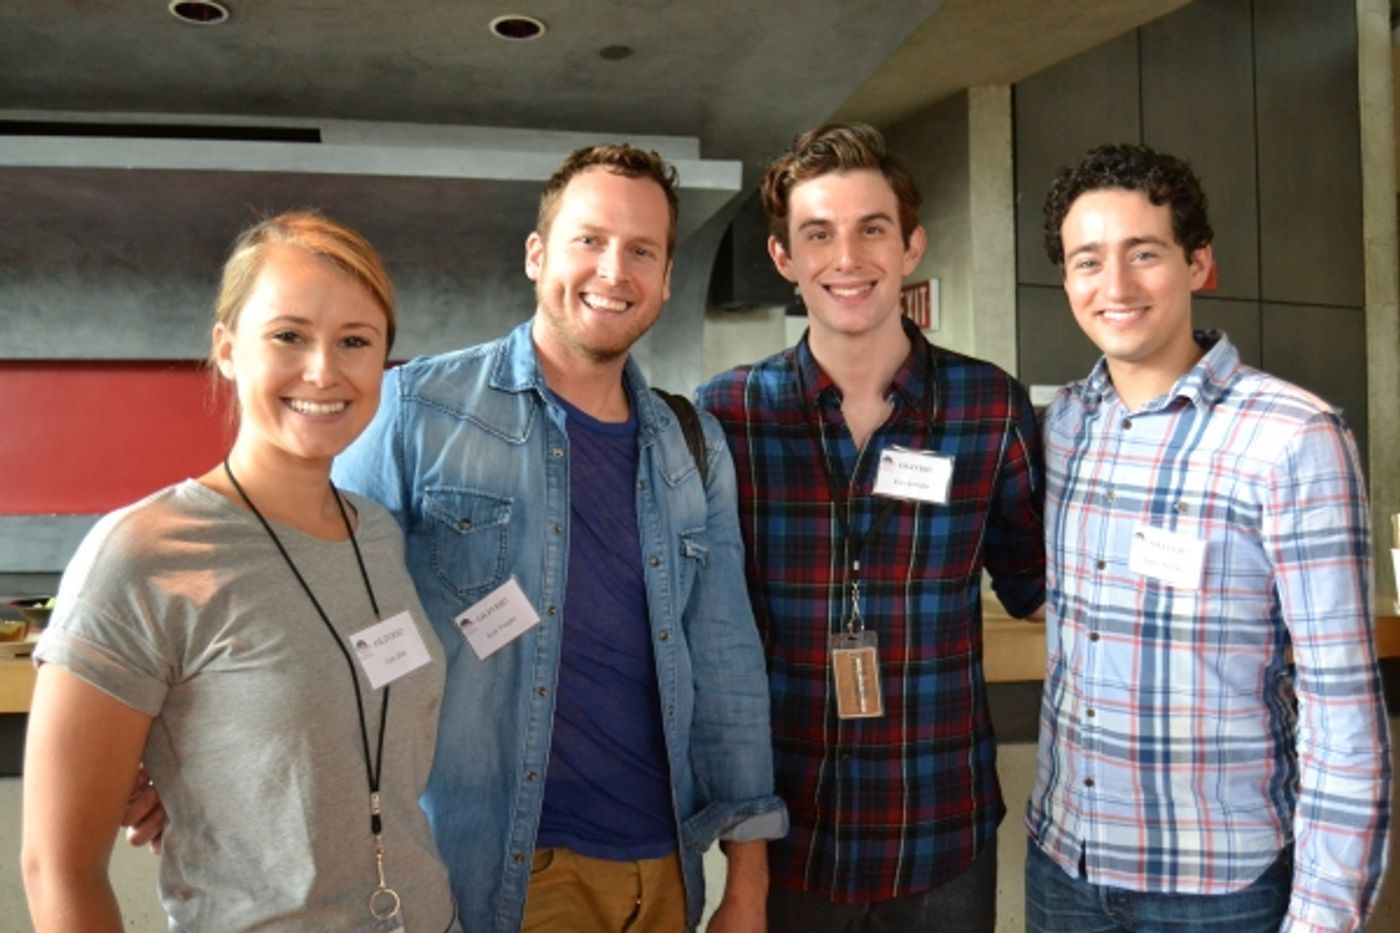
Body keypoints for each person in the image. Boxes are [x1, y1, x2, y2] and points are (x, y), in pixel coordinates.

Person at [331, 143, 786, 933]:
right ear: (537, 255)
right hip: (497, 872)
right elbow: (326, 621)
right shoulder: (414, 410)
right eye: (590, 240)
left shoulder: (695, 445)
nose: (614, 270)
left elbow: (726, 663)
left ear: (666, 278)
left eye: (641, 250)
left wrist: (748, 877)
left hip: (663, 873)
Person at [21, 212, 460, 931]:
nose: (323, 371)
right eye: (289, 336)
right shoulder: (143, 554)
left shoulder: (378, 534)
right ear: (226, 349)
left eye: (355, 341)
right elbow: (57, 867)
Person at [1024, 143, 1392, 932]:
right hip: (1064, 867)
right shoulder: (1064, 426)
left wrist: (1323, 918)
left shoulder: (1292, 437)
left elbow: (1343, 711)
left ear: (1198, 263)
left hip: (1220, 886)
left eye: (1144, 253)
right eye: (1088, 261)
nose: (1115, 286)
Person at [698, 123, 1046, 932]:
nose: (846, 257)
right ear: (785, 256)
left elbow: (1035, 587)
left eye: (872, 229)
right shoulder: (728, 413)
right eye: (819, 233)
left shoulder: (989, 405)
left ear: (911, 246)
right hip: (790, 837)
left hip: (942, 831)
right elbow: (700, 626)